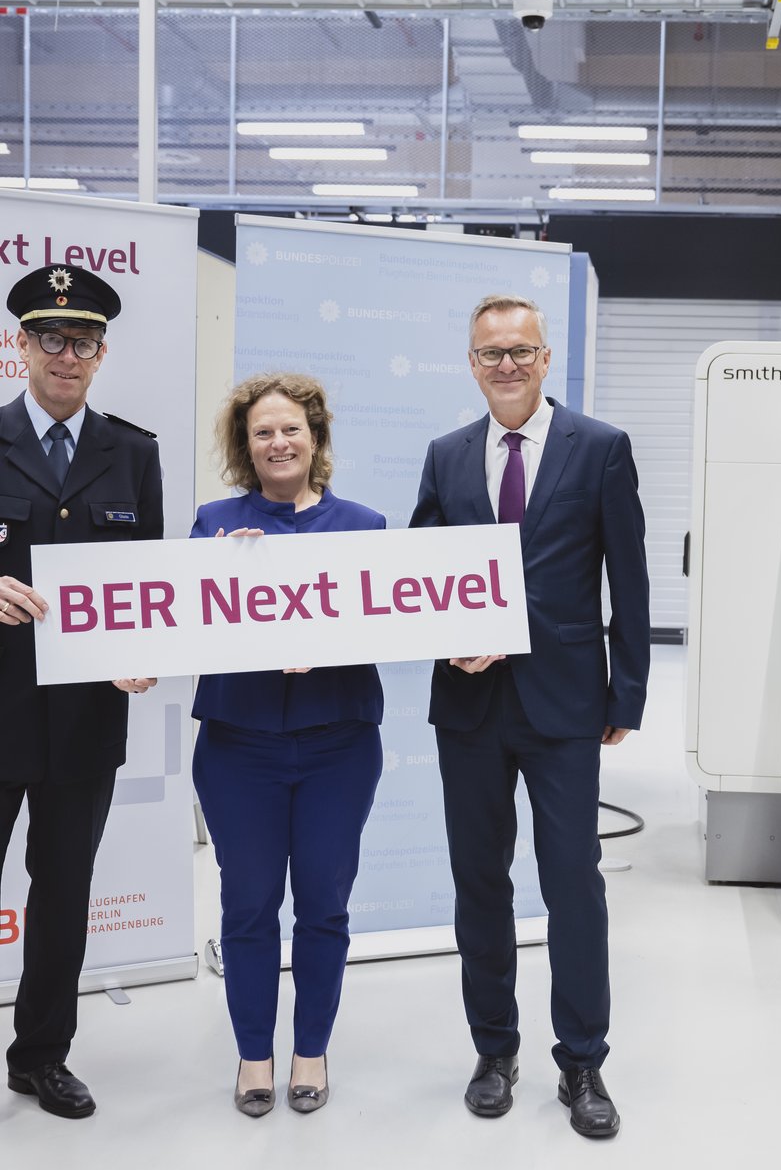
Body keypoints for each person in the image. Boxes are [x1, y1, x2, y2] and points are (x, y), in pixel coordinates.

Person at [410, 293, 650, 1139]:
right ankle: (494, 1050)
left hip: (564, 705)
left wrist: (627, 693)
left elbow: (630, 575)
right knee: (481, 884)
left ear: (546, 359)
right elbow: (419, 576)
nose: (506, 365)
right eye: (489, 354)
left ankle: (582, 1061)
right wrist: (447, 641)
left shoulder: (600, 448)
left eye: (521, 351)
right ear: (471, 363)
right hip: (471, 707)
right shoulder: (446, 455)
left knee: (572, 885)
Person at [191, 373, 384, 1118]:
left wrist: (329, 647)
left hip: (338, 744)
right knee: (246, 907)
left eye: (291, 429)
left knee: (324, 907)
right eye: (263, 431)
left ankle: (310, 1049)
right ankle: (252, 1056)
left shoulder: (364, 525)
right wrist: (222, 569)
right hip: (239, 747)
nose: (278, 442)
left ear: (316, 438)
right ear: (246, 445)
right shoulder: (214, 523)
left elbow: (387, 624)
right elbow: (182, 620)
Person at [0, 264, 162, 1120]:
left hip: (87, 720)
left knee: (62, 896)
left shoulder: (133, 453)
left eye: (85, 342)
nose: (67, 355)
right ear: (21, 343)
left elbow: (149, 589)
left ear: (102, 355)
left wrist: (148, 652)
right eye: (51, 338)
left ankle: (41, 1058)